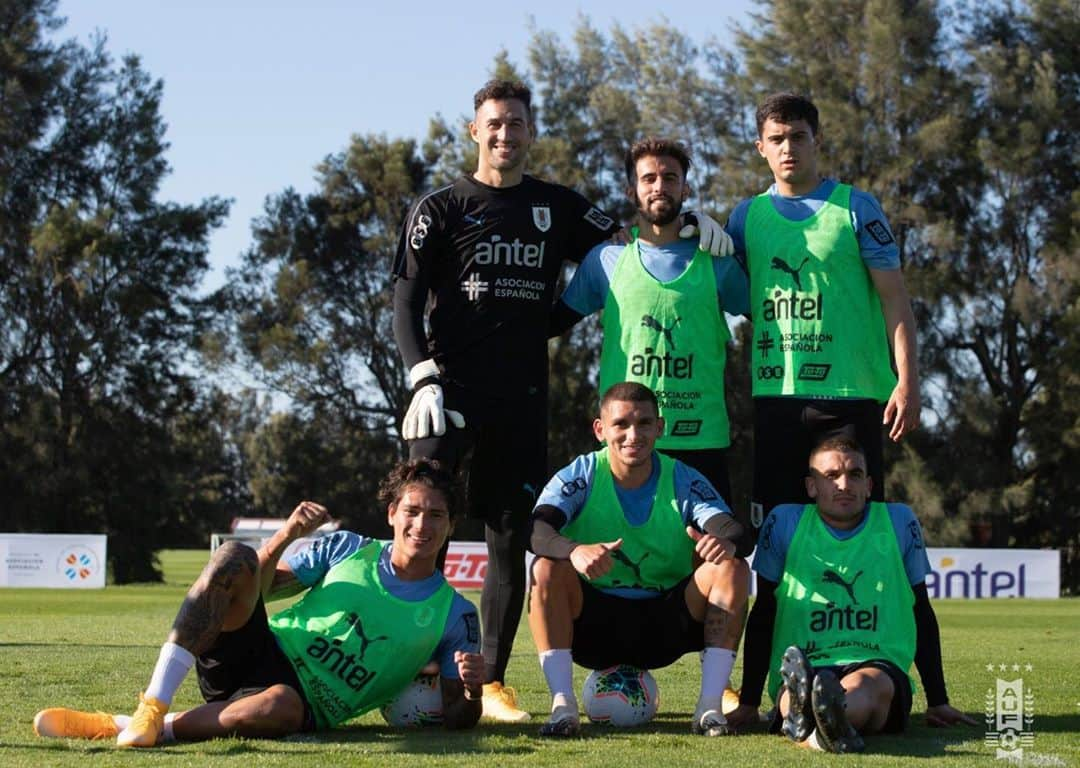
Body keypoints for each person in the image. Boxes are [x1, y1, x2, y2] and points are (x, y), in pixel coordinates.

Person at [392, 80, 730, 722]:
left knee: (509, 540)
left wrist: (691, 224)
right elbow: (405, 304)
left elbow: (629, 249)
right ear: (475, 131)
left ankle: (490, 683)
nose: (504, 134)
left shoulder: (557, 207)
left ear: (529, 132)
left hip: (521, 399)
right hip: (446, 396)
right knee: (420, 526)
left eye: (516, 123)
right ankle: (405, 657)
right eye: (493, 123)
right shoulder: (439, 208)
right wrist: (420, 376)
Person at [33, 459, 484, 746]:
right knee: (234, 557)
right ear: (392, 513)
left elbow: (458, 718)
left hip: (300, 704)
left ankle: (121, 726)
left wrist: (472, 688)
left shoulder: (456, 615)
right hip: (259, 649)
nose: (421, 525)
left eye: (436, 515)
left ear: (452, 525)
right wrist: (286, 535)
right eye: (412, 510)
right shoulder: (347, 548)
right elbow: (260, 589)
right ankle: (151, 707)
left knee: (278, 706)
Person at [725, 92, 921, 534]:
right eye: (776, 139)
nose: (788, 148)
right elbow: (730, 297)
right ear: (760, 147)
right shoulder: (745, 217)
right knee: (777, 528)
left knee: (855, 528)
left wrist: (908, 382)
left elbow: (896, 298)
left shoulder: (856, 207)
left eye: (798, 136)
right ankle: (771, 607)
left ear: (817, 140)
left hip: (850, 395)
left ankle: (860, 607)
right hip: (778, 394)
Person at [725, 437, 976, 752]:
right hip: (806, 662)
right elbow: (764, 612)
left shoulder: (898, 522)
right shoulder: (785, 522)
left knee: (864, 686)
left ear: (869, 485)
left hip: (875, 662)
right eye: (831, 476)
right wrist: (749, 701)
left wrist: (938, 700)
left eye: (855, 474)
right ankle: (818, 718)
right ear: (811, 486)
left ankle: (817, 717)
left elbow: (920, 609)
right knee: (792, 695)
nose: (844, 484)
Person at [527, 382, 749, 737]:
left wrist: (722, 542)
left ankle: (709, 708)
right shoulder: (582, 474)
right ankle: (562, 707)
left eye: (644, 424)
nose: (634, 435)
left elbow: (735, 531)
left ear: (660, 428)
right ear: (600, 430)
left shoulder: (681, 478)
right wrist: (575, 551)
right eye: (621, 425)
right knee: (546, 568)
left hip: (666, 623)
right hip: (592, 624)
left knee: (732, 568)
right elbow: (536, 531)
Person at [549, 137, 749, 522]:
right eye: (649, 178)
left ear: (685, 188)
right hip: (626, 443)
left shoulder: (716, 260)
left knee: (714, 566)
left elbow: (768, 316)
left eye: (670, 178)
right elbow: (552, 323)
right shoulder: (605, 260)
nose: (660, 186)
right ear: (632, 191)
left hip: (700, 439)